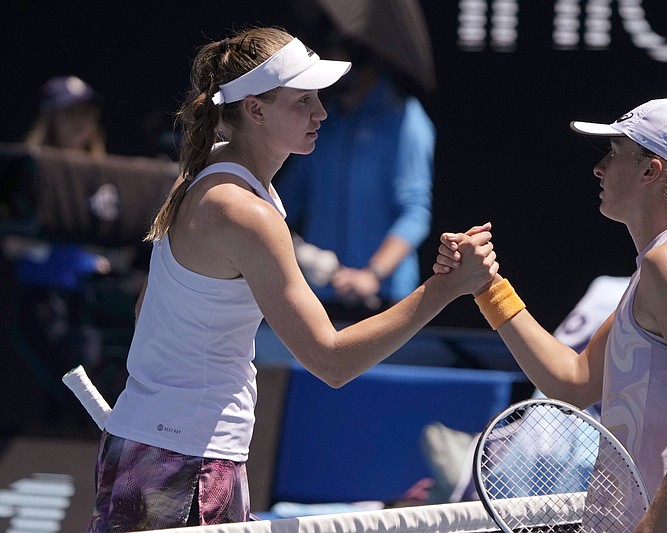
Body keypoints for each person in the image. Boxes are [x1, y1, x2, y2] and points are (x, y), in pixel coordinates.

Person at [89, 26, 497, 531]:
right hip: (187, 461)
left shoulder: (202, 175)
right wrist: (447, 287)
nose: (321, 113)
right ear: (255, 110)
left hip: (145, 445)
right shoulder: (247, 212)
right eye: (303, 101)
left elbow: (144, 307)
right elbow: (331, 360)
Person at [436, 98, 667, 532]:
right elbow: (571, 383)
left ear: (652, 171)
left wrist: (649, 530)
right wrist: (487, 288)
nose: (600, 168)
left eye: (614, 154)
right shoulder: (665, 266)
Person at [276, 37, 435, 317]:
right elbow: (283, 204)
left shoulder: (404, 117)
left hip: (381, 297)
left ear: (369, 65)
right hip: (318, 292)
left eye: (348, 70)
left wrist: (372, 274)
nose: (339, 82)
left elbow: (415, 213)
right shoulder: (325, 119)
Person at [3, 75, 111, 427]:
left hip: (89, 305)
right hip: (41, 303)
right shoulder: (28, 169)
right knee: (64, 399)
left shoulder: (106, 173)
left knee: (90, 396)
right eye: (69, 113)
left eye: (86, 112)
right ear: (50, 118)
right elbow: (14, 242)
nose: (80, 122)